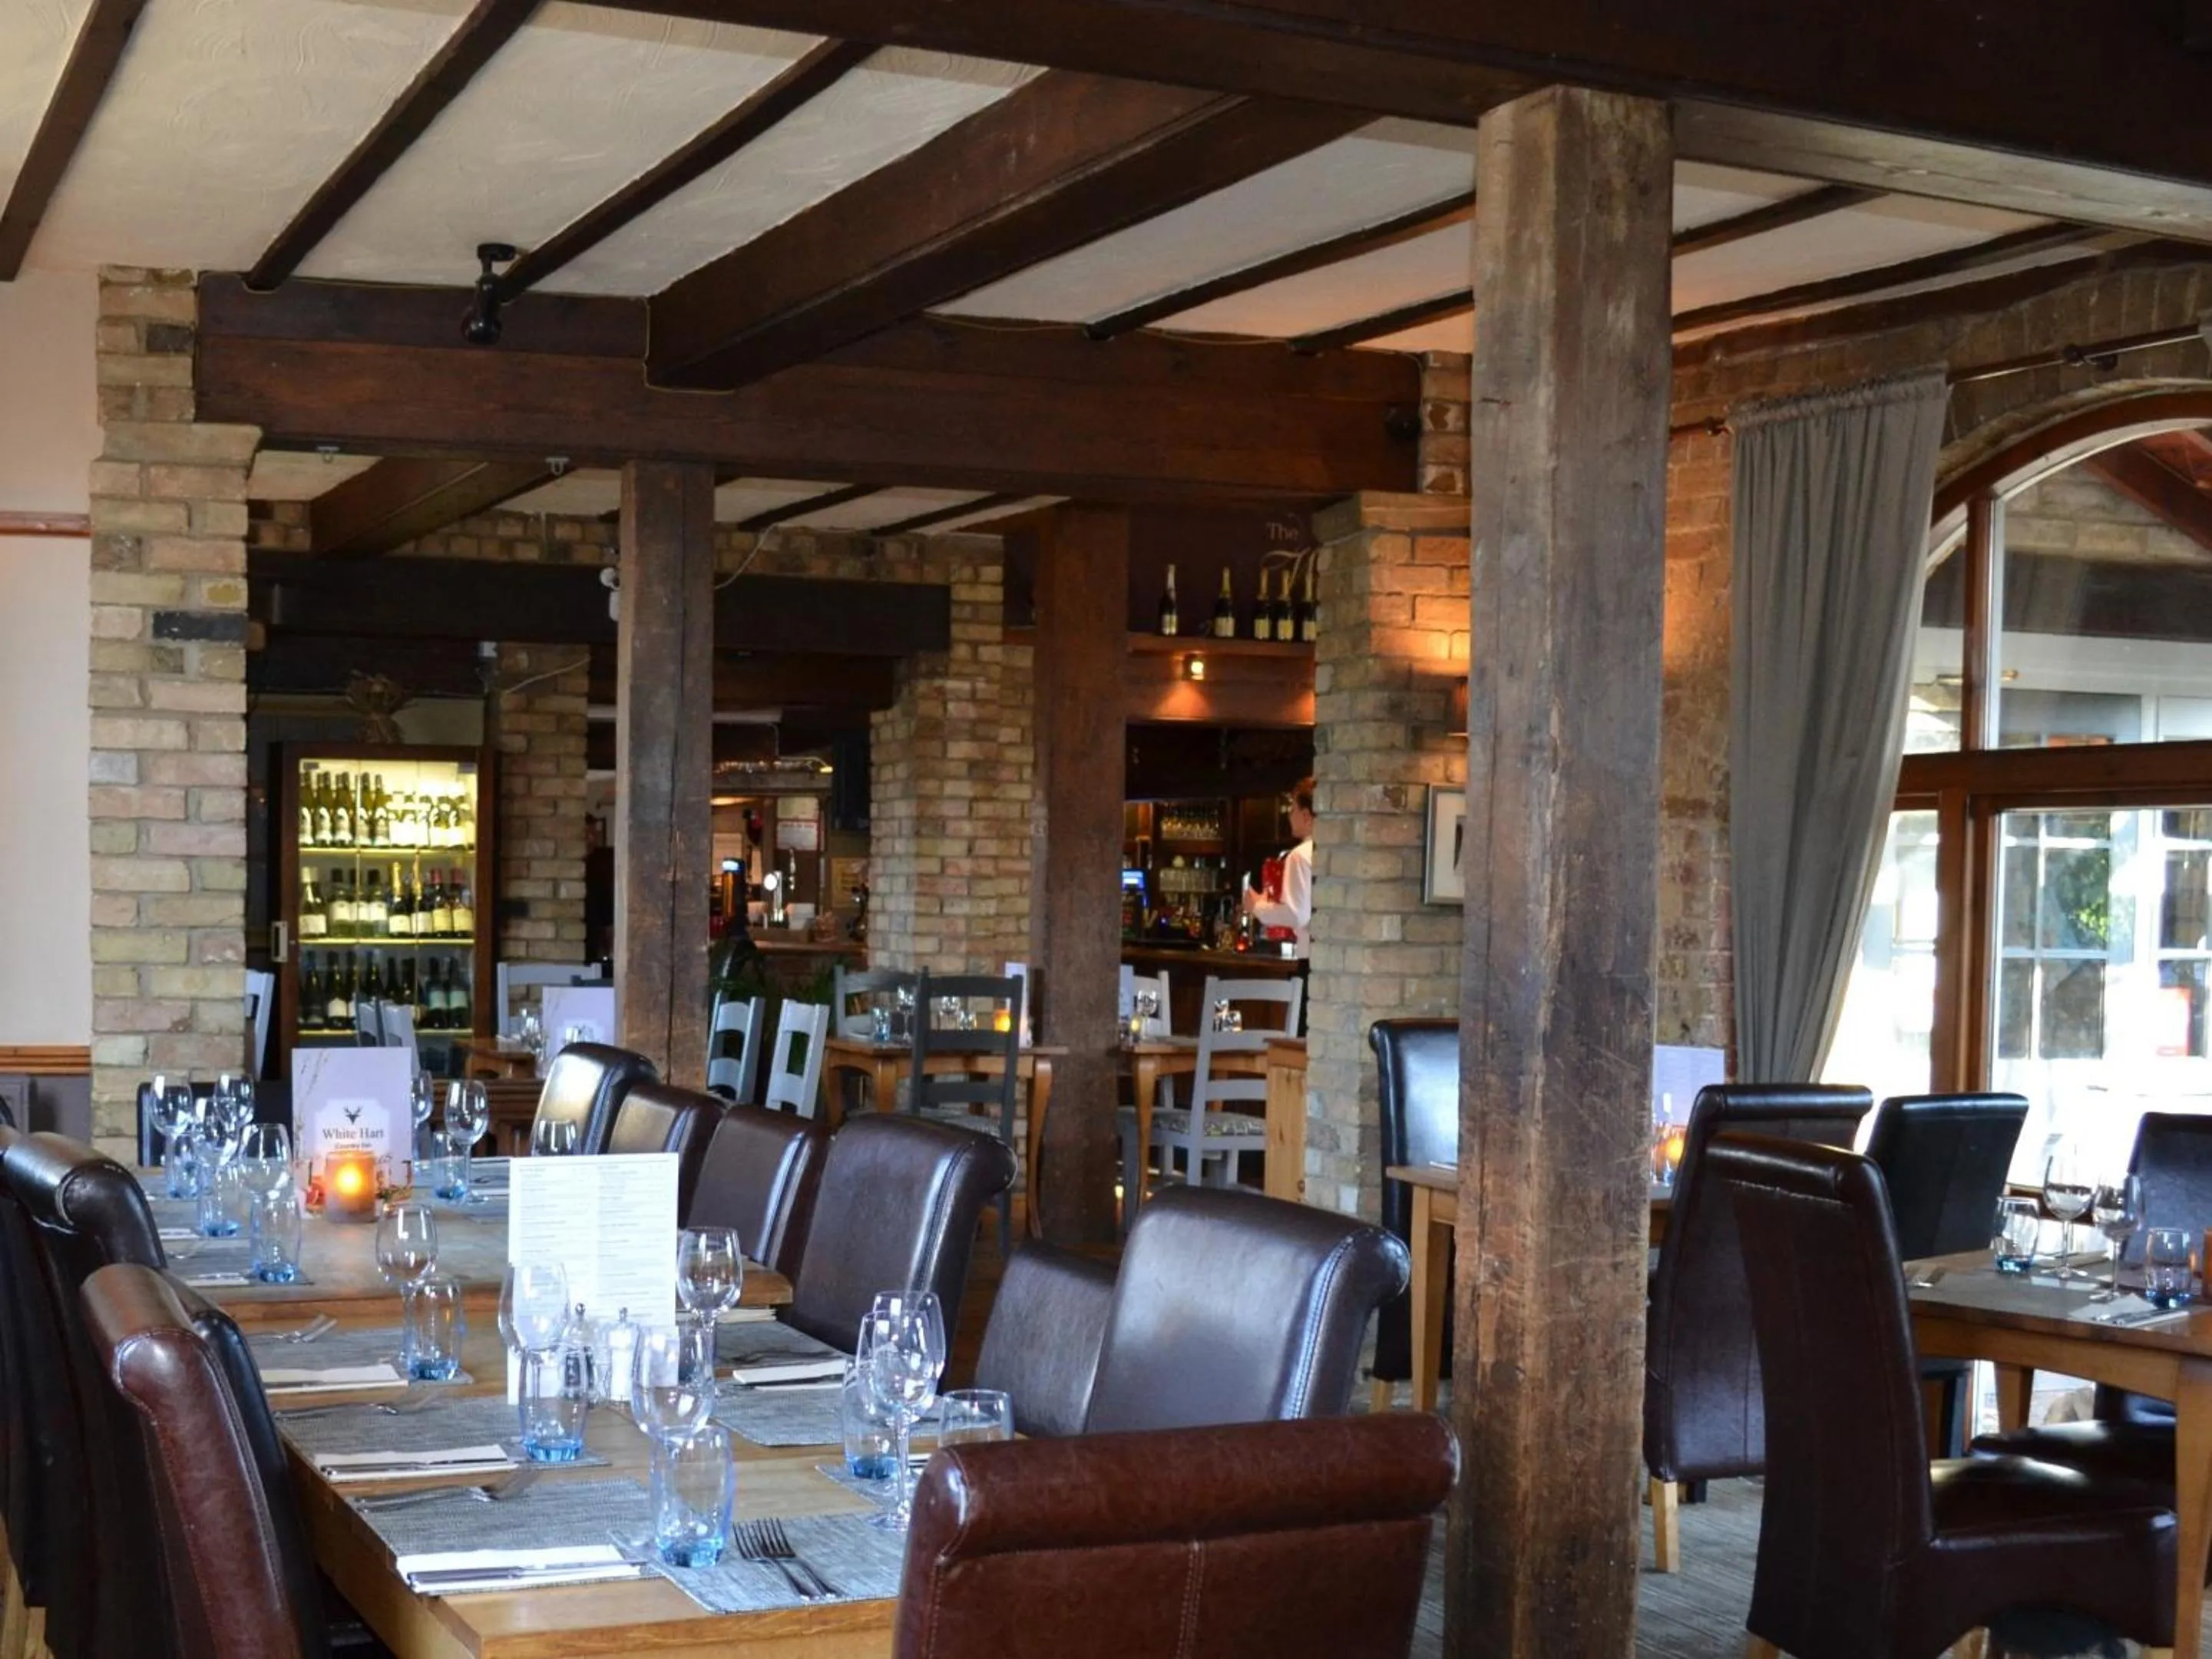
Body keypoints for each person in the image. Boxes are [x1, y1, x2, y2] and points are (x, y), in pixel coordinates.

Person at [1243, 777, 1315, 962]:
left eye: (1293, 810)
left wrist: (1256, 906)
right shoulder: (1333, 851)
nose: (1290, 816)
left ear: (1306, 816)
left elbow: (1296, 915)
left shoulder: (1299, 856)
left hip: (1310, 956)